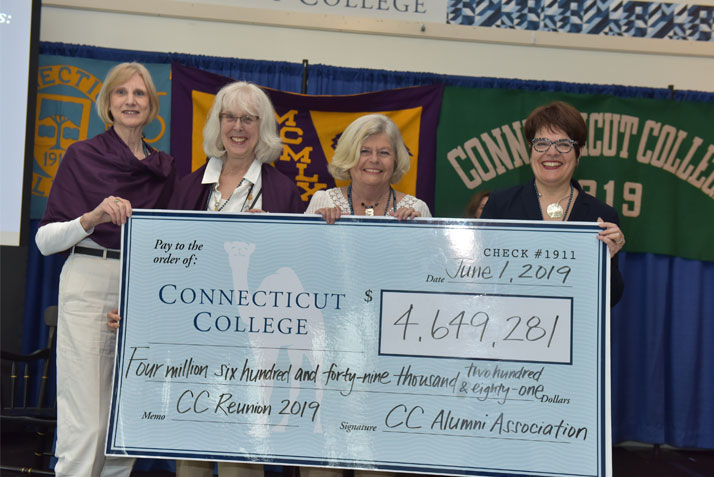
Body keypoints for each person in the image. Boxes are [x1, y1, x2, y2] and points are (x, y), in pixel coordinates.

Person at [35, 62, 176, 477]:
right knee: (88, 424)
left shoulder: (165, 169)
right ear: (108, 103)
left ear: (152, 107)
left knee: (125, 423)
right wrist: (92, 217)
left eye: (140, 94)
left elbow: (170, 245)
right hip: (89, 279)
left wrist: (150, 296)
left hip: (141, 288)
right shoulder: (82, 156)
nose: (130, 101)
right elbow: (45, 241)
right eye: (121, 93)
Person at [162, 80, 303, 477]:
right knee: (191, 456)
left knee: (241, 458)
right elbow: (168, 262)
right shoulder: (189, 186)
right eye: (229, 117)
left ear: (263, 128)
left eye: (248, 118)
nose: (238, 127)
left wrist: (271, 240)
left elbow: (296, 271)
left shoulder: (282, 192)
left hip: (253, 343)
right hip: (195, 338)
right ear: (218, 124)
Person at [480, 100, 625, 306]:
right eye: (542, 143)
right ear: (530, 150)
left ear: (578, 154)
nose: (552, 152)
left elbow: (610, 299)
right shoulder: (500, 204)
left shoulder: (601, 216)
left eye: (564, 144)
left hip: (572, 332)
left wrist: (607, 260)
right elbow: (478, 276)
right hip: (507, 328)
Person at [305, 113, 431, 222]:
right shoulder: (323, 201)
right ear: (348, 156)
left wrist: (417, 230)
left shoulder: (417, 209)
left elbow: (430, 250)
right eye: (364, 151)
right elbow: (303, 249)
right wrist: (320, 228)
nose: (374, 160)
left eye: (384, 152)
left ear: (396, 160)